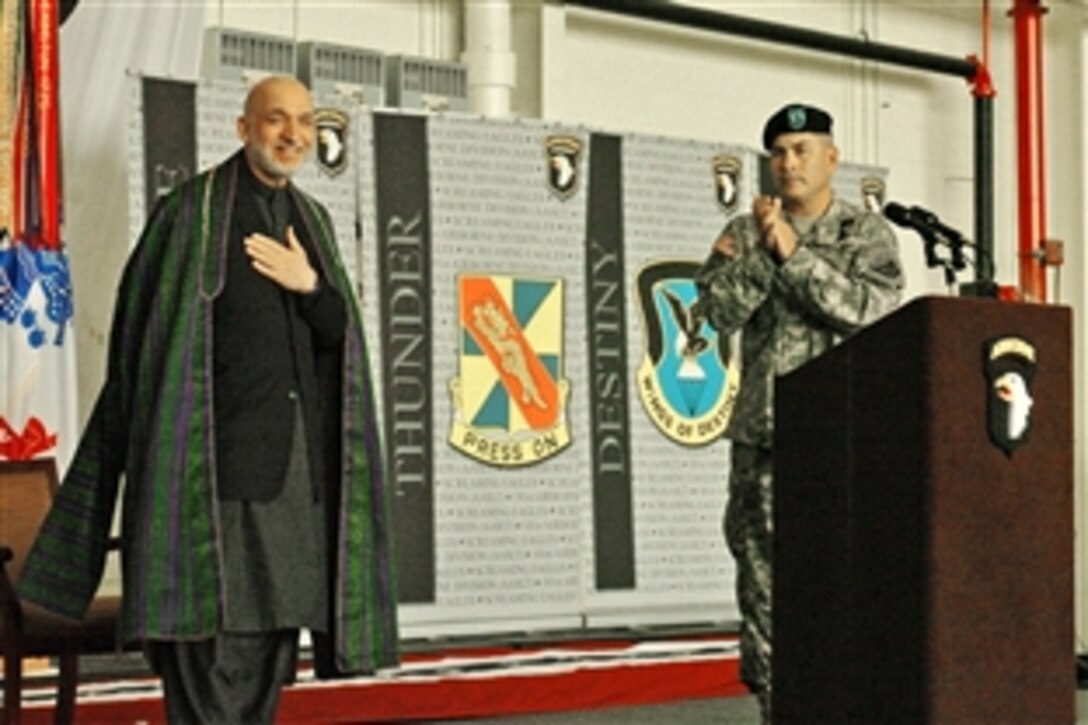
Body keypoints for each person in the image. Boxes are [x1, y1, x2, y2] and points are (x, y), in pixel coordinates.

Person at [17, 76, 398, 723]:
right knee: (211, 654)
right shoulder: (189, 215)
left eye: (305, 122)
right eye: (276, 119)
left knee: (272, 649)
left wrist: (310, 286)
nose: (293, 135)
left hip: (293, 484)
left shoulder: (315, 221)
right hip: (212, 487)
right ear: (244, 127)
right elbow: (143, 353)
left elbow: (340, 339)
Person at [693, 103, 904, 722]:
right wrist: (764, 252)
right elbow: (712, 315)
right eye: (779, 153)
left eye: (802, 150)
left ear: (832, 158)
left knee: (846, 587)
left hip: (844, 441)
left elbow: (870, 311)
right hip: (764, 440)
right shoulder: (743, 229)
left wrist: (792, 253)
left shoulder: (865, 235)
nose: (788, 163)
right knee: (764, 592)